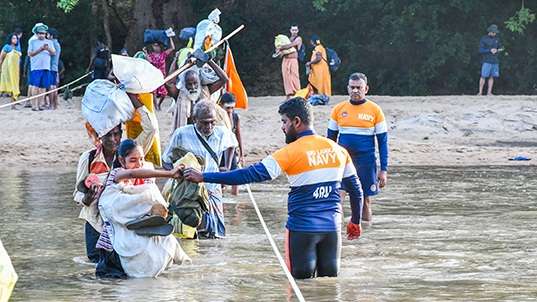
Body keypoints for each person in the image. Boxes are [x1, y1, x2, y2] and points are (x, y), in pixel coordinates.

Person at [183, 98, 363, 279]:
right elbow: (356, 190)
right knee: (328, 286)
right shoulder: (338, 150)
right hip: (332, 229)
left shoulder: (289, 153)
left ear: (297, 122)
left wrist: (204, 176)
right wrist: (355, 222)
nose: (283, 127)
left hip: (301, 230)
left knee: (300, 285)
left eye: (284, 122)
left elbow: (248, 174)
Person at [74, 94, 158, 263]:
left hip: (124, 220)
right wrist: (87, 198)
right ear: (99, 136)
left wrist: (133, 96)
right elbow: (77, 193)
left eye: (117, 134)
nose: (114, 140)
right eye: (108, 135)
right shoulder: (88, 158)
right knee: (96, 265)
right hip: (95, 221)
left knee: (123, 265)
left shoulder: (131, 153)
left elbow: (151, 129)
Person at [97, 139, 190, 278]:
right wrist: (170, 173)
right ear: (122, 161)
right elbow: (131, 175)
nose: (139, 164)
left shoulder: (147, 180)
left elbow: (152, 203)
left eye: (141, 159)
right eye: (133, 160)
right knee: (113, 282)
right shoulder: (116, 174)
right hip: (113, 246)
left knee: (167, 242)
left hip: (140, 236)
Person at [162, 100, 237, 239]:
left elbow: (232, 143)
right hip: (189, 191)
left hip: (213, 188)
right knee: (190, 231)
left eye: (212, 122)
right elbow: (166, 160)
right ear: (194, 119)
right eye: (204, 122)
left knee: (216, 234)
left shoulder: (222, 133)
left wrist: (226, 165)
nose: (209, 126)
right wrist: (176, 175)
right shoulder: (182, 134)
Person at [327, 72, 388, 225]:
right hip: (343, 162)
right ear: (348, 88)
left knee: (365, 199)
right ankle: (337, 233)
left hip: (366, 162)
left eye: (358, 87)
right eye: (352, 87)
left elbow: (382, 142)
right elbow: (330, 141)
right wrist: (328, 165)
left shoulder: (375, 110)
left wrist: (384, 169)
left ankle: (365, 232)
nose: (355, 91)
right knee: (338, 197)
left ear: (366, 89)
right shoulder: (338, 109)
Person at [167, 58, 229, 131]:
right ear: (184, 84)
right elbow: (169, 82)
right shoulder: (179, 94)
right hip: (187, 134)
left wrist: (209, 60)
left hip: (206, 131)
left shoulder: (206, 90)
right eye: (189, 84)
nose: (193, 87)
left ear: (199, 82)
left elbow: (224, 79)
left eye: (195, 83)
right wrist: (184, 66)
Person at [218, 92, 244, 195]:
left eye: (232, 108)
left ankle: (234, 196)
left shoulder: (235, 117)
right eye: (227, 108)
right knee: (221, 175)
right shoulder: (218, 117)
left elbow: (238, 135)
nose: (230, 111)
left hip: (232, 148)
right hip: (221, 149)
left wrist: (241, 154)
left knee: (235, 176)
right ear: (221, 106)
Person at [27, 23, 55, 111]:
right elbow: (30, 54)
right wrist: (40, 49)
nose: (41, 35)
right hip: (36, 67)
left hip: (46, 67)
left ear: (45, 33)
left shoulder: (49, 42)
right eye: (39, 33)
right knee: (35, 86)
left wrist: (48, 49)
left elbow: (53, 53)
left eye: (43, 33)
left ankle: (40, 104)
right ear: (36, 33)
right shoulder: (32, 42)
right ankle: (34, 105)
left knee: (43, 87)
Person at [145, 36, 175, 110]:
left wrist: (170, 38)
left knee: (164, 93)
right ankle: (156, 107)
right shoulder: (151, 55)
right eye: (154, 45)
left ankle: (159, 104)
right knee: (153, 92)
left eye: (157, 45)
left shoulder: (163, 54)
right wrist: (145, 52)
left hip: (161, 76)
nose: (156, 47)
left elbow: (172, 48)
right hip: (153, 76)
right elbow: (149, 61)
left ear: (160, 46)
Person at [277, 25, 302, 98]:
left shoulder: (298, 38)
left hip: (293, 60)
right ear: (290, 30)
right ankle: (288, 96)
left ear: (298, 31)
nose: (294, 31)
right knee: (286, 77)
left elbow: (291, 45)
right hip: (285, 59)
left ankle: (298, 95)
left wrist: (281, 47)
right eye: (293, 30)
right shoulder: (287, 39)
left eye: (295, 30)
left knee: (294, 77)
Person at [478, 24, 502, 96]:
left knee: (492, 76)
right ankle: (480, 92)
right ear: (490, 32)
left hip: (495, 60)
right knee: (483, 76)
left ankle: (489, 92)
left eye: (495, 33)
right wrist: (490, 50)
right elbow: (480, 50)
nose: (495, 34)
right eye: (493, 32)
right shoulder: (484, 39)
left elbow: (501, 48)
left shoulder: (497, 39)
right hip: (486, 60)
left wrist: (497, 50)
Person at [0, 33, 21, 108]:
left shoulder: (18, 47)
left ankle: (13, 105)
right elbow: (1, 57)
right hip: (7, 70)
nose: (15, 40)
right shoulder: (6, 47)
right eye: (13, 38)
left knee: (14, 86)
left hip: (15, 70)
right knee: (7, 85)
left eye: (16, 38)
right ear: (10, 39)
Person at [46, 28, 61, 110]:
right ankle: (54, 105)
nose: (46, 36)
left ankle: (51, 105)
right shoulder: (57, 43)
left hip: (51, 67)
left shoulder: (51, 43)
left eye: (47, 34)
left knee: (51, 86)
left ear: (51, 35)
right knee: (54, 86)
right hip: (55, 67)